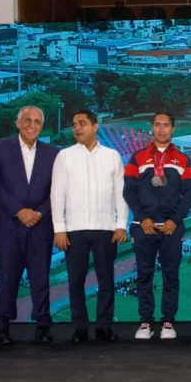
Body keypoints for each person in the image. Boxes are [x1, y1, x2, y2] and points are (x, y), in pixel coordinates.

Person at [51, 108, 128, 343]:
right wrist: (59, 228)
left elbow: (120, 193)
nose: (77, 128)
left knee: (106, 280)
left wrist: (121, 225)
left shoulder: (112, 156)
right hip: (75, 229)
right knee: (76, 281)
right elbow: (57, 194)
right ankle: (80, 328)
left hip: (106, 228)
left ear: (95, 127)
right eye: (74, 124)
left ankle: (104, 326)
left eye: (82, 123)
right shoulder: (64, 156)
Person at [0, 106, 58, 345]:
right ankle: (2, 327)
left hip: (40, 225)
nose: (32, 125)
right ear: (17, 123)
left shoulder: (52, 153)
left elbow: (57, 190)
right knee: (7, 277)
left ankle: (43, 326)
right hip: (7, 225)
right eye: (27, 120)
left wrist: (38, 213)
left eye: (37, 121)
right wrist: (19, 211)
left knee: (40, 278)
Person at [123, 112, 191, 340]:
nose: (161, 129)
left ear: (173, 129)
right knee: (144, 275)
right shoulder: (137, 157)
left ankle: (167, 321)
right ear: (151, 128)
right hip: (143, 226)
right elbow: (129, 191)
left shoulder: (183, 160)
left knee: (170, 275)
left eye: (166, 125)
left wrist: (174, 221)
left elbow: (187, 195)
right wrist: (142, 217)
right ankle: (145, 321)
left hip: (171, 227)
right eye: (157, 125)